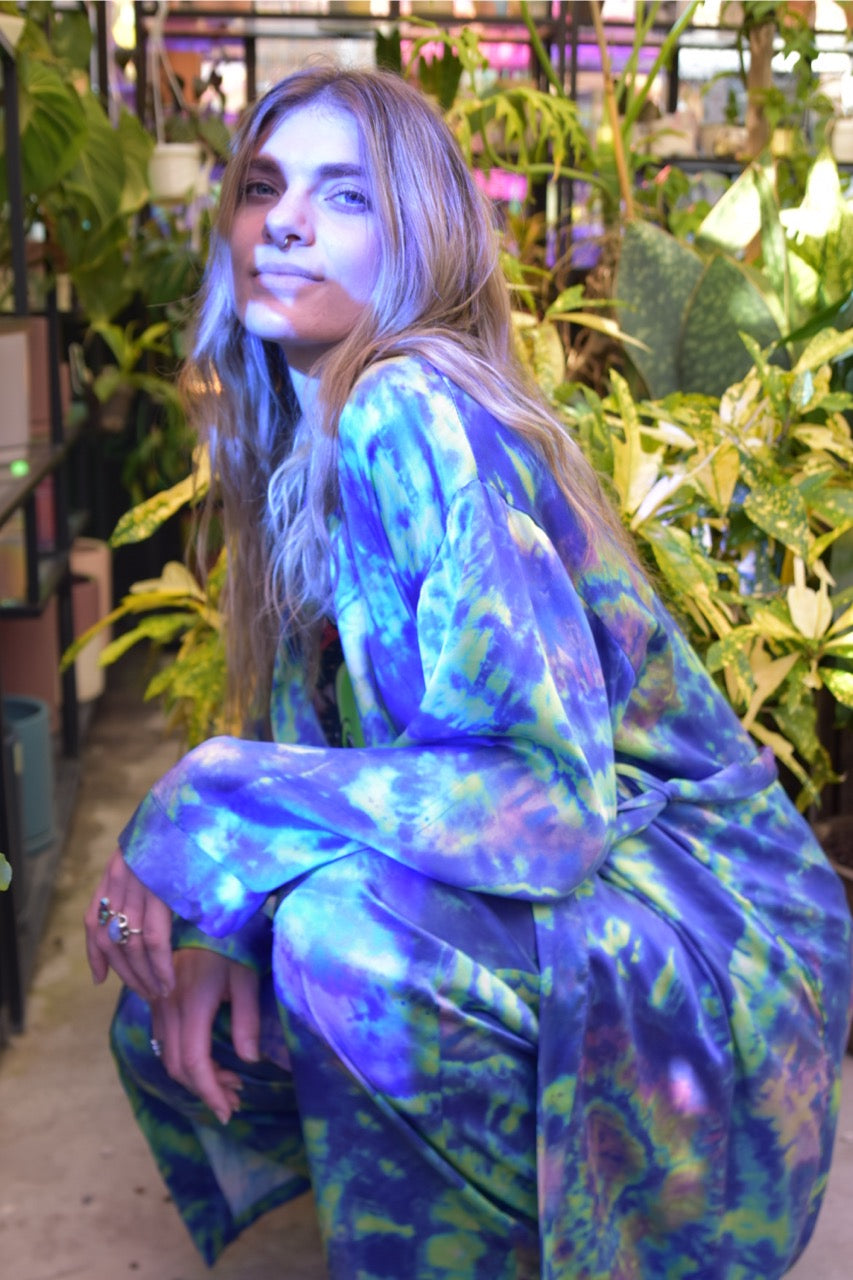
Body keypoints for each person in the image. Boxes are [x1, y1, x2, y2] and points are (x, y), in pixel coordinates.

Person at [85, 64, 852, 1280]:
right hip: (608, 897)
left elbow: (546, 804)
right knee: (198, 954)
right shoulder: (304, 440)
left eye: (346, 195)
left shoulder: (408, 403)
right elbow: (325, 736)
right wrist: (224, 921)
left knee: (338, 933)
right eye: (264, 187)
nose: (285, 222)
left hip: (707, 929)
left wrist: (207, 795)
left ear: (422, 240)